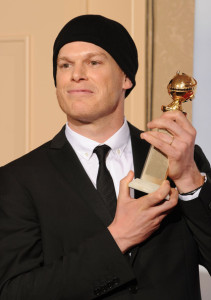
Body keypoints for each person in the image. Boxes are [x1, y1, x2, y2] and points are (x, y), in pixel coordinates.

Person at [0, 14, 210, 300]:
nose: (76, 74)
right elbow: (16, 293)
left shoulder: (181, 159)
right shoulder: (17, 180)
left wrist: (188, 181)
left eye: (94, 62)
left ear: (126, 77)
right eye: (65, 65)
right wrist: (118, 237)